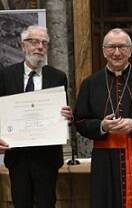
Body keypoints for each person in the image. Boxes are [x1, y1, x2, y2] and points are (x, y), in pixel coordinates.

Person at [74, 28, 132, 208]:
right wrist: (102, 126)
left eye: (122, 47)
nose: (117, 52)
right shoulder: (90, 83)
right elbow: (79, 122)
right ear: (103, 51)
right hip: (104, 159)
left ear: (130, 50)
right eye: (111, 47)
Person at [0, 25, 72, 208]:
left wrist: (68, 116)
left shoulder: (58, 77)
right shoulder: (6, 75)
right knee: (21, 203)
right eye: (34, 42)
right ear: (23, 45)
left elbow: (64, 112)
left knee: (46, 204)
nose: (40, 47)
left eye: (44, 43)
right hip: (18, 158)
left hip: (47, 158)